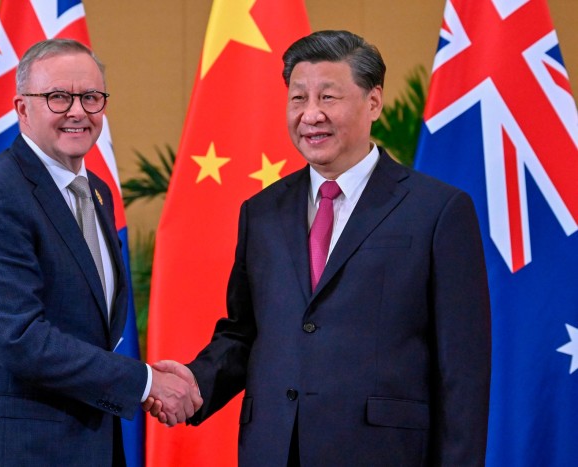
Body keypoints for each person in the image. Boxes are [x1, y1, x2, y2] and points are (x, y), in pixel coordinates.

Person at [147, 30, 491, 466]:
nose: (311, 115)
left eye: (328, 97)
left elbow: (462, 371)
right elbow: (246, 332)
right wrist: (195, 383)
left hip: (384, 453)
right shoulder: (262, 211)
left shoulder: (438, 211)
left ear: (374, 102)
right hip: (273, 450)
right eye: (298, 99)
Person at [0, 39, 201, 466]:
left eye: (91, 97)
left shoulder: (96, 193)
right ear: (22, 108)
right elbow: (20, 338)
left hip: (85, 443)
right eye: (58, 97)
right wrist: (143, 381)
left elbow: (84, 325)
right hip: (13, 449)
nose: (78, 111)